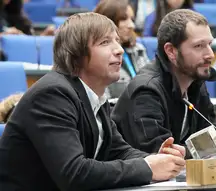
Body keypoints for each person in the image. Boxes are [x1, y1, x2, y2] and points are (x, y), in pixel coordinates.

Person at [0, 12, 186, 191]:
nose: (119, 50)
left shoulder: (94, 96)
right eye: (105, 42)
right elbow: (74, 173)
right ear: (76, 54)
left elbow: (118, 151)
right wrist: (148, 167)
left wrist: (158, 160)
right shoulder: (52, 94)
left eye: (117, 41)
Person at [112, 9, 216, 159]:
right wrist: (196, 151)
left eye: (209, 44)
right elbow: (161, 156)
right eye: (198, 46)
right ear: (171, 51)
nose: (210, 54)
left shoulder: (195, 82)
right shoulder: (146, 92)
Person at [94, 0, 150, 98]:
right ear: (108, 20)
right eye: (124, 19)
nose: (132, 25)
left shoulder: (138, 49)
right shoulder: (99, 55)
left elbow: (151, 81)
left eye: (132, 19)